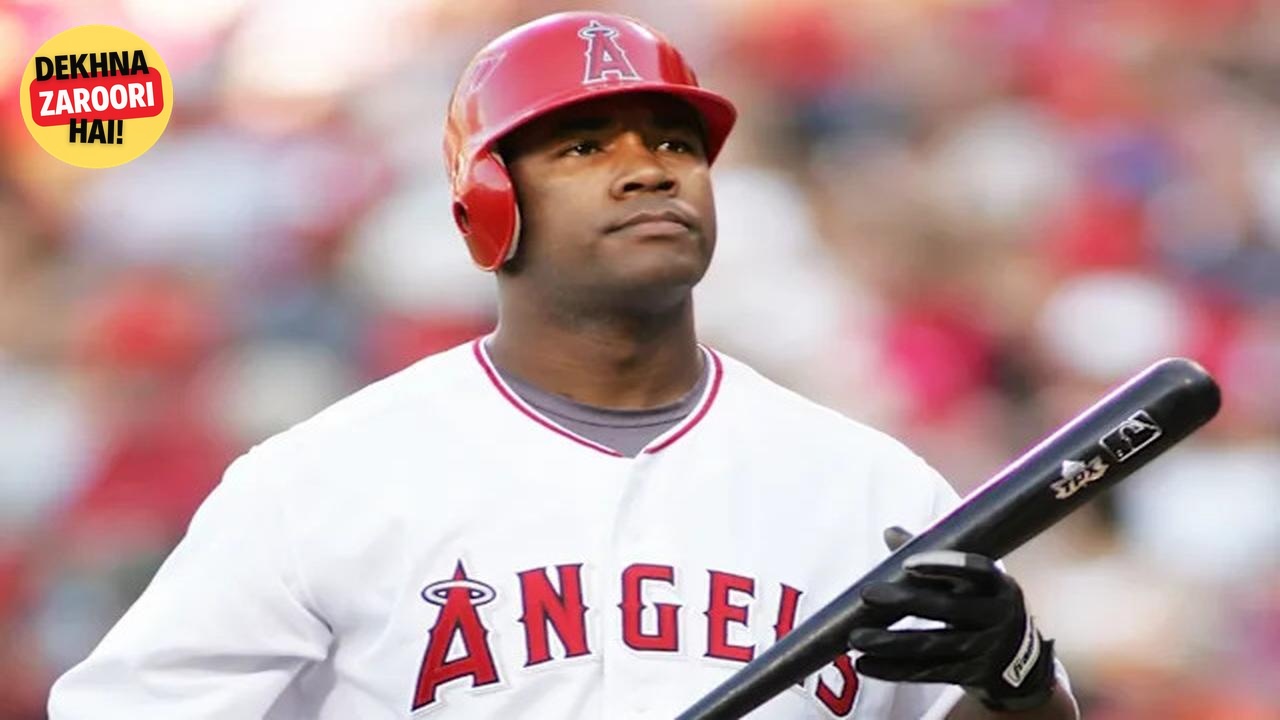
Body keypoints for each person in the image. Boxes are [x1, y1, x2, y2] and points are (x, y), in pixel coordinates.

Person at [48, 12, 1079, 719]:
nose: (646, 170)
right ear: (487, 206)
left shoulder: (869, 485)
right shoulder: (320, 480)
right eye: (584, 147)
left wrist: (1019, 678)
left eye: (674, 144)